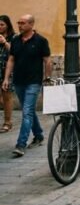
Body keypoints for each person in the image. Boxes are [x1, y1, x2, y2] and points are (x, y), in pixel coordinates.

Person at [2, 15, 51, 157]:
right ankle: (39, 135)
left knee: (27, 111)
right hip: (18, 81)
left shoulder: (41, 41)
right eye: (18, 23)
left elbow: (47, 61)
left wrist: (47, 78)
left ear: (31, 24)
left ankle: (21, 144)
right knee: (28, 110)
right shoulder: (16, 40)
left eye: (22, 23)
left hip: (33, 82)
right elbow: (11, 60)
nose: (19, 25)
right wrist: (6, 78)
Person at [0, 15, 15, 133]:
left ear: (7, 25)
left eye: (2, 25)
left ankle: (7, 122)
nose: (0, 27)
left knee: (7, 97)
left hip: (8, 70)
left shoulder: (13, 38)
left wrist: (5, 42)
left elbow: (14, 52)